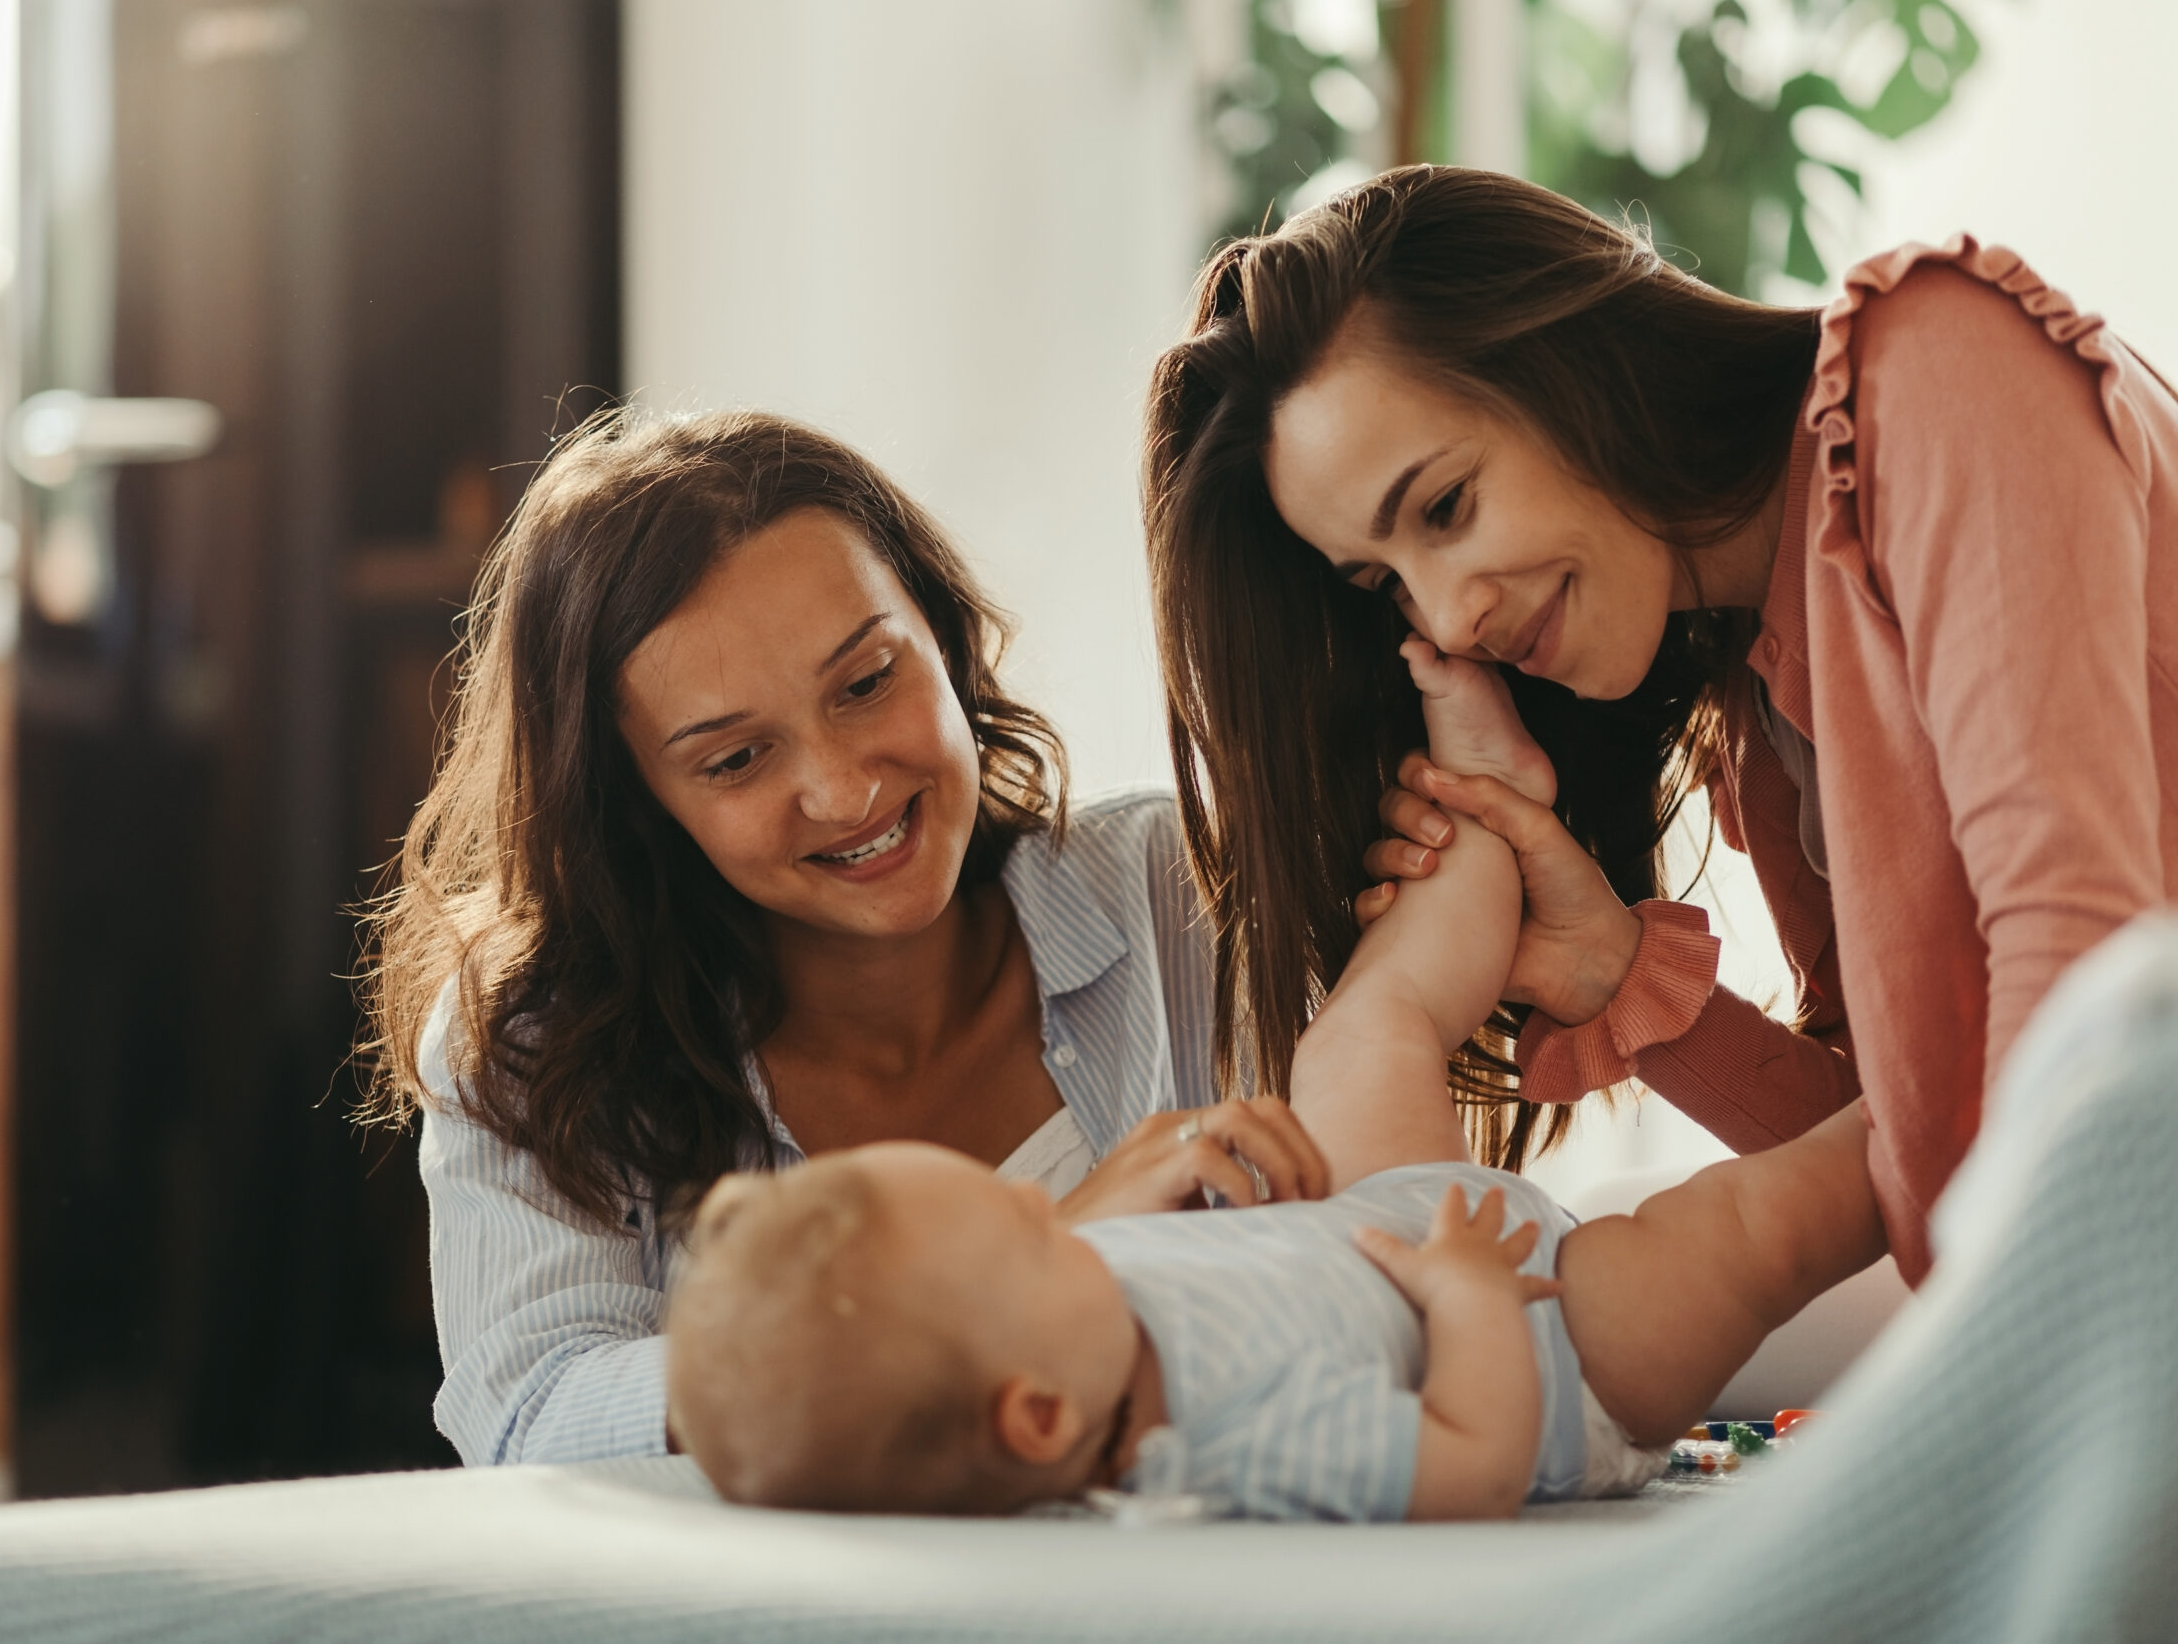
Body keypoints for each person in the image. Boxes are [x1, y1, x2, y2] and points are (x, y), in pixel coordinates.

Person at [1141, 164, 2178, 1282]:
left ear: (1574, 364)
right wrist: (1612, 968)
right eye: (1383, 585)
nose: (1447, 617)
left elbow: (2083, 977)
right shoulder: (1760, 705)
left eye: (1445, 506)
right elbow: (1907, 1163)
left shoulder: (1937, 368)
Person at [666, 658, 1884, 1517]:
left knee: (1360, 1039)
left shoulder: (1058, 1324)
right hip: (1548, 1338)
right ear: (1040, 1418)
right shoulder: (1226, 1444)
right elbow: (1468, 1469)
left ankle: (1486, 799)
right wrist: (1467, 1303)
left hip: (1374, 1221)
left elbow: (1165, 1258)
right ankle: (1952, 1113)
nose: (1068, 1224)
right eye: (1035, 1242)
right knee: (1749, 1227)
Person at [363, 409, 1329, 1466]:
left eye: (868, 683)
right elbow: (534, 1419)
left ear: (943, 638)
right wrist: (1042, 1263)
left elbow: (1382, 1265)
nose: (844, 790)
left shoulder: (1178, 889)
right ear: (638, 802)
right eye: (734, 760)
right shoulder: (537, 1040)